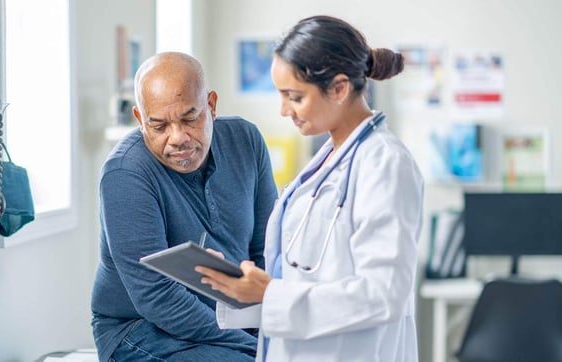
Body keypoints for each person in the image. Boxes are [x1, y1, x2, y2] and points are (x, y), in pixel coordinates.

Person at [196, 15, 424, 361]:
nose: (284, 110)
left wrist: (271, 294)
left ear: (339, 88)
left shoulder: (385, 164)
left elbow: (383, 293)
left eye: (295, 97)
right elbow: (301, 279)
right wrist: (243, 288)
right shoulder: (326, 160)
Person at [91, 52, 278, 362]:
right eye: (159, 126)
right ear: (140, 120)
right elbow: (156, 295)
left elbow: (266, 252)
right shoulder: (126, 174)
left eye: (190, 119)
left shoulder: (246, 141)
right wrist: (252, 348)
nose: (177, 138)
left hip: (231, 321)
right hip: (141, 330)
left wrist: (271, 330)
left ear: (212, 105)